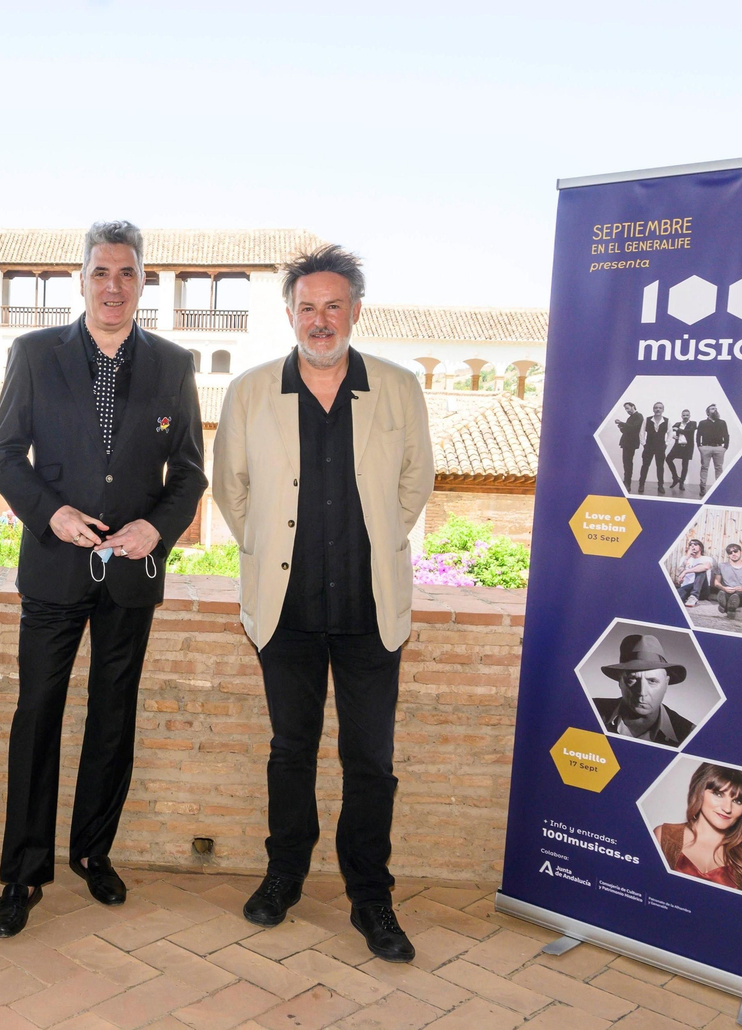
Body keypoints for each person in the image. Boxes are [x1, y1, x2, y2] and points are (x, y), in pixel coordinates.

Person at [212, 245, 434, 961]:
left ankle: (372, 897)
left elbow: (415, 484)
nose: (320, 319)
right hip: (287, 614)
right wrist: (273, 551)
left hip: (373, 613)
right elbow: (230, 489)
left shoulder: (399, 388)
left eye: (333, 305)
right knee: (290, 753)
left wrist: (372, 544)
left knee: (371, 759)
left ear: (356, 311)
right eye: (307, 307)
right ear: (290, 315)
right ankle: (284, 876)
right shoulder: (248, 393)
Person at [0, 220, 205, 938]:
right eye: (101, 272)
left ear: (144, 282)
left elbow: (191, 474)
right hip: (54, 568)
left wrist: (157, 529)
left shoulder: (174, 363)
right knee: (38, 716)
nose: (113, 286)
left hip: (131, 577)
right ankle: (23, 872)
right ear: (81, 279)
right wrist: (50, 516)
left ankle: (92, 851)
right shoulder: (35, 353)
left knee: (114, 719)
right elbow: (6, 456)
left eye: (127, 273)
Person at [652, 763, 742, 892]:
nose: (727, 808)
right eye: (718, 794)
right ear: (698, 791)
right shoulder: (664, 836)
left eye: (737, 801)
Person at [594, 633, 696, 747]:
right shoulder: (591, 710)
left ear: (666, 684)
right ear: (620, 682)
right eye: (632, 679)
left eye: (652, 681)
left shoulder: (689, 735)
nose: (642, 692)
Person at [712, 543, 742, 616]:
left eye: (735, 551)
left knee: (739, 596)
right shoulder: (721, 566)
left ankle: (726, 607)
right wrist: (724, 588)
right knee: (724, 594)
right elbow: (716, 583)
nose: (733, 554)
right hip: (727, 591)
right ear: (728, 555)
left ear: (740, 552)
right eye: (730, 553)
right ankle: (729, 607)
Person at [697, 404, 729, 497]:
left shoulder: (722, 422)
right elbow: (698, 435)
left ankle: (719, 488)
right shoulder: (702, 423)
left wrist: (725, 447)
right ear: (707, 412)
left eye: (715, 408)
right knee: (704, 467)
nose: (714, 410)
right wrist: (699, 446)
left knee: (719, 468)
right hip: (706, 448)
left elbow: (726, 435)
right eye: (712, 409)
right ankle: (702, 487)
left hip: (719, 448)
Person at [638, 402, 669, 495]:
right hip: (649, 447)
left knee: (660, 467)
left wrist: (666, 443)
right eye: (656, 408)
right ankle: (641, 484)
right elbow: (642, 432)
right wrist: (643, 443)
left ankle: (660, 486)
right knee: (645, 466)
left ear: (663, 410)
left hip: (660, 447)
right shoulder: (647, 420)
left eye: (660, 408)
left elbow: (670, 433)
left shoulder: (667, 420)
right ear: (653, 409)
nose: (658, 409)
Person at [674, 539, 713, 607]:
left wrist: (686, 571)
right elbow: (678, 574)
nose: (692, 546)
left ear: (700, 547)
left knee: (701, 570)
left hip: (702, 590)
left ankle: (694, 596)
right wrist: (687, 557)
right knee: (676, 598)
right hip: (687, 588)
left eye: (695, 544)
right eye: (690, 545)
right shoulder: (684, 559)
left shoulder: (706, 558)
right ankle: (689, 598)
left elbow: (706, 567)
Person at [666, 408, 696, 490]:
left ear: (690, 416)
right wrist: (672, 435)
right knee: (668, 459)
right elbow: (669, 430)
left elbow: (689, 431)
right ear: (681, 416)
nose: (685, 416)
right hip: (678, 446)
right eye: (684, 415)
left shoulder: (693, 423)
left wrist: (678, 429)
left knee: (685, 465)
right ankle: (675, 478)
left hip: (687, 447)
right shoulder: (678, 423)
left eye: (687, 415)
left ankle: (681, 482)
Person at [614, 402, 641, 490]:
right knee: (626, 463)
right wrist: (621, 428)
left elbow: (634, 428)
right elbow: (627, 430)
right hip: (626, 443)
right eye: (625, 409)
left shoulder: (639, 416)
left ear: (633, 406)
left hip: (631, 444)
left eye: (628, 408)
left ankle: (627, 483)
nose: (627, 410)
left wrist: (621, 423)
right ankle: (626, 481)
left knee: (628, 463)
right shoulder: (630, 418)